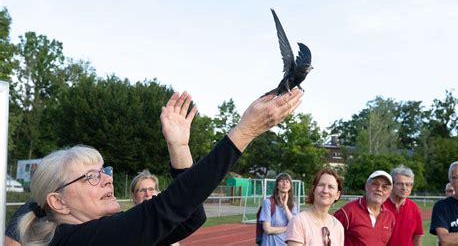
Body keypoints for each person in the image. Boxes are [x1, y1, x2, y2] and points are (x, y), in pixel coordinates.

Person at [18, 89, 304, 245]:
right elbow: (167, 208)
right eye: (91, 177)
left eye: (105, 171)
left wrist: (179, 148)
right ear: (58, 201)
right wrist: (245, 132)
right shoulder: (72, 241)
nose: (106, 180)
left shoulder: (100, 232)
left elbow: (191, 218)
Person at [334, 170, 395, 246]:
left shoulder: (390, 217)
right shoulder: (347, 212)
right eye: (375, 184)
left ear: (389, 192)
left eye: (385, 187)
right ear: (366, 186)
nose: (379, 189)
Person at [130, 169, 191, 246]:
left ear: (157, 192)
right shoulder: (130, 223)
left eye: (151, 189)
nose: (148, 194)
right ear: (134, 196)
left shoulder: (165, 220)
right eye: (142, 190)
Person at [286, 168, 344, 246]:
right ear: (313, 189)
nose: (325, 190)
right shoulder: (299, 222)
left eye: (331, 187)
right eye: (321, 185)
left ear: (337, 195)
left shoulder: (338, 226)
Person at [430, 160, 458, 245]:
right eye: (456, 178)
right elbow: (445, 240)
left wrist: (456, 240)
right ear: (450, 181)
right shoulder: (442, 206)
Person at [384, 165, 423, 246]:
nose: (404, 188)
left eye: (409, 184)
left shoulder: (414, 208)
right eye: (400, 184)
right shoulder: (380, 205)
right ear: (391, 184)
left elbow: (417, 237)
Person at [259, 172, 298, 245]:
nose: (284, 183)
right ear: (277, 185)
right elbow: (267, 229)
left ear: (290, 186)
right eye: (281, 181)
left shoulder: (293, 205)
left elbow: (294, 225)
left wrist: (285, 206)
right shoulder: (268, 202)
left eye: (287, 181)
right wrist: (287, 228)